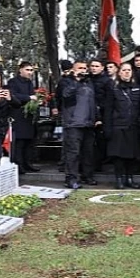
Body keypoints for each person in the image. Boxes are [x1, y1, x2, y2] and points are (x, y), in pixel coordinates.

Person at [58, 61, 97, 189]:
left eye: (85, 68)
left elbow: (92, 101)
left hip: (88, 123)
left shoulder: (89, 82)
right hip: (73, 123)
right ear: (73, 70)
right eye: (80, 68)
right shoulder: (66, 81)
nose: (83, 70)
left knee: (88, 152)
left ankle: (87, 176)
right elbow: (65, 95)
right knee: (73, 153)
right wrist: (76, 81)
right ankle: (71, 178)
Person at [104, 62, 140, 189]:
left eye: (129, 70)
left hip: (133, 126)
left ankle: (129, 179)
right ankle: (119, 179)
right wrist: (107, 128)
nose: (127, 72)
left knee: (131, 155)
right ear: (119, 72)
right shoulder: (113, 88)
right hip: (118, 126)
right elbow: (108, 109)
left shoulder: (137, 87)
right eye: (124, 70)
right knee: (118, 155)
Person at [8, 61, 40, 174]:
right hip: (18, 114)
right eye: (28, 70)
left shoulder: (29, 83)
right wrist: (28, 97)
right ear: (20, 70)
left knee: (28, 142)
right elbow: (13, 95)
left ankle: (28, 164)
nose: (30, 72)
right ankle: (19, 165)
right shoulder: (13, 82)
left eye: (31, 70)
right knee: (20, 142)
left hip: (28, 116)